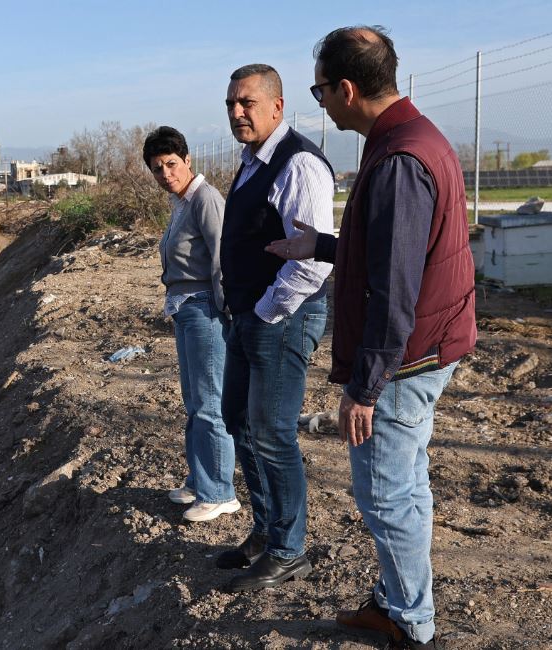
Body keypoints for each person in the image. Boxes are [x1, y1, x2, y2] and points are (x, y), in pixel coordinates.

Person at [266, 26, 477, 650]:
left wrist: (365, 387)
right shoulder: (413, 138)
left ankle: (411, 623)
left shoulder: (398, 161)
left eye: (320, 92)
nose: (322, 104)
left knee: (385, 495)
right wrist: (324, 245)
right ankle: (399, 600)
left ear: (347, 89)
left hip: (405, 360)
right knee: (406, 486)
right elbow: (395, 252)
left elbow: (394, 290)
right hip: (428, 343)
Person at [213, 64, 334, 591]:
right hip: (248, 315)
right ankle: (266, 533)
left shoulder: (298, 163)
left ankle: (288, 550)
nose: (237, 112)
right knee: (238, 418)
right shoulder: (251, 162)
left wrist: (264, 311)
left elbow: (312, 261)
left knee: (272, 432)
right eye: (231, 104)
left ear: (277, 106)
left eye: (247, 103)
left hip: (282, 316)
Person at [143, 126, 239, 523]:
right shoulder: (180, 202)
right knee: (194, 402)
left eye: (171, 164)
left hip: (205, 309)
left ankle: (220, 493)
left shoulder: (205, 198)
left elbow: (223, 259)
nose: (166, 174)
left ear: (187, 160)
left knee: (209, 403)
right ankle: (200, 481)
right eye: (157, 168)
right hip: (184, 308)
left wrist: (226, 311)